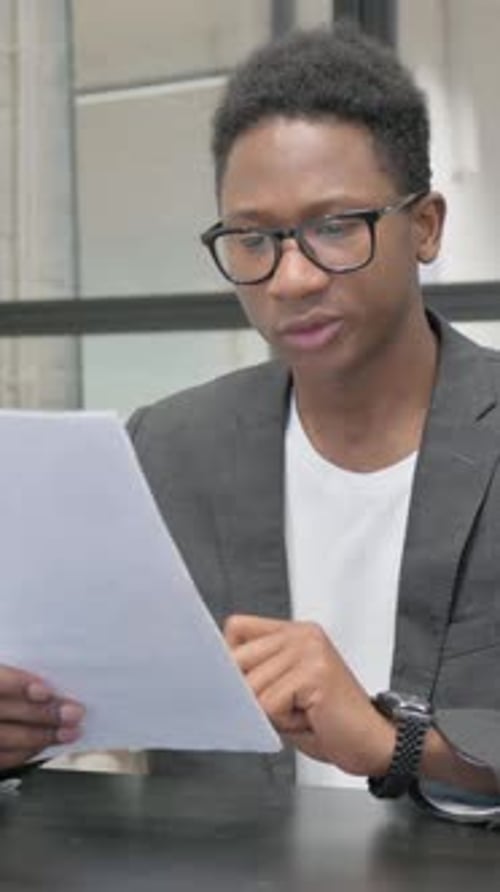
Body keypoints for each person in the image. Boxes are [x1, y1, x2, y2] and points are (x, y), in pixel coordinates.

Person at [1, 24, 500, 821]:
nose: (291, 278)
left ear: (426, 226)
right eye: (253, 239)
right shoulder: (166, 449)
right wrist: (22, 727)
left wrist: (397, 742)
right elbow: (85, 701)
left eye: (336, 226)